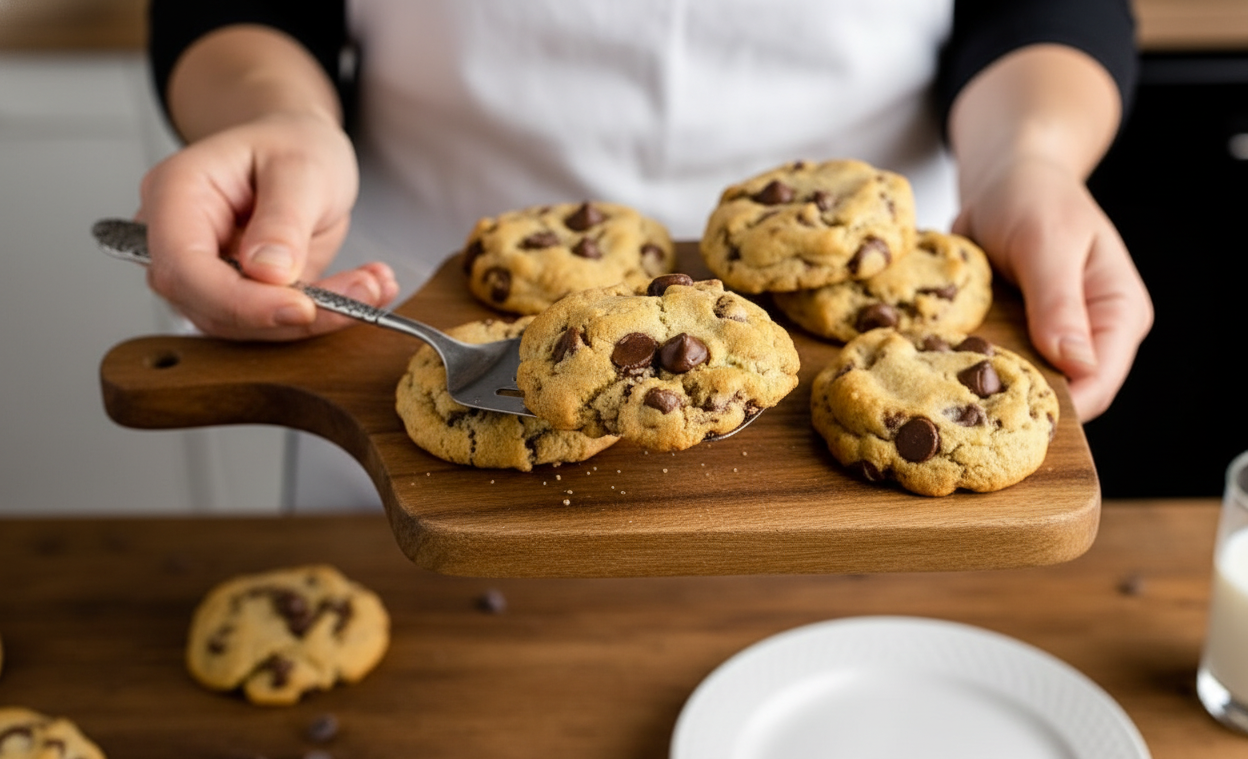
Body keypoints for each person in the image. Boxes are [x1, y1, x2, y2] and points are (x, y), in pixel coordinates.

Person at [138, 0, 1152, 509]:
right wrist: (276, 117)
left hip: (882, 299)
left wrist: (1031, 161)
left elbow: (1050, 5)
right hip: (415, 293)